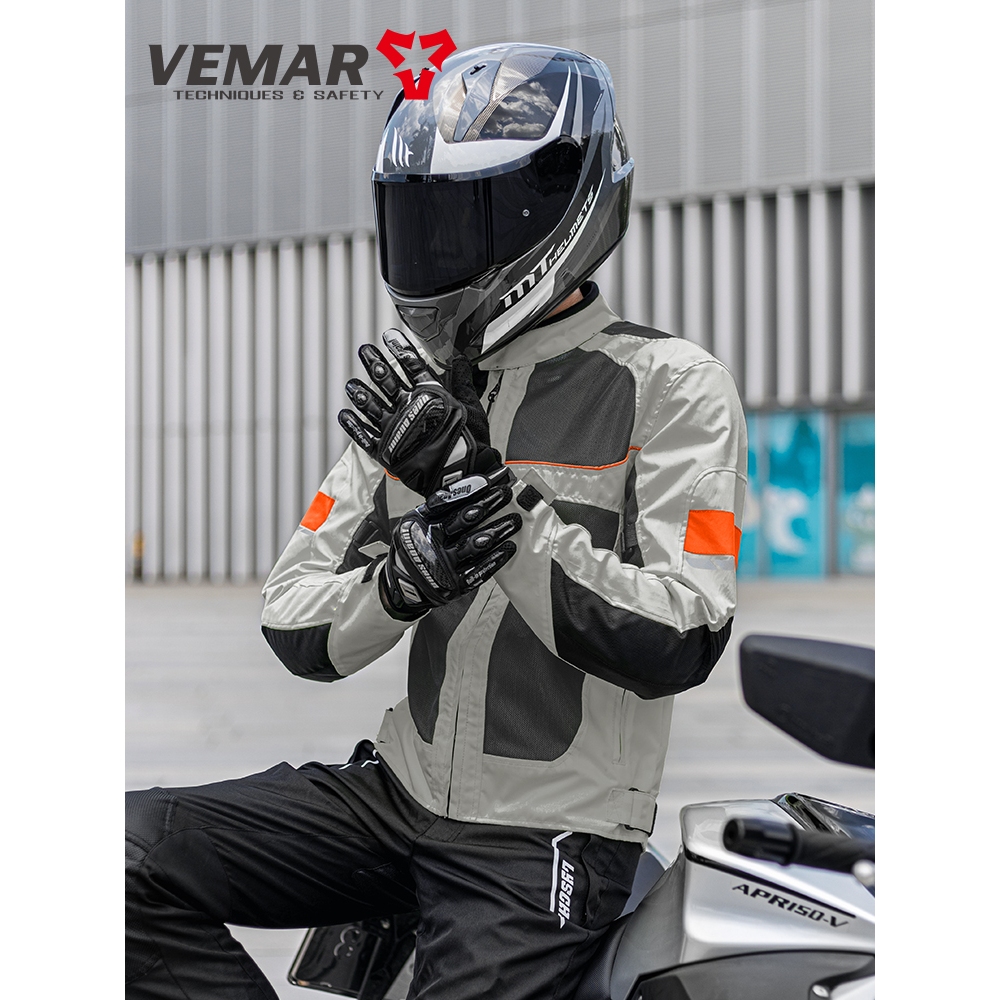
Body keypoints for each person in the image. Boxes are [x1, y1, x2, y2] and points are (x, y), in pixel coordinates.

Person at [125, 43, 747, 1000]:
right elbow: (294, 618)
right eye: (419, 222)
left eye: (461, 221)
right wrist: (402, 580)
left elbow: (683, 631)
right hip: (396, 794)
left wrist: (493, 512)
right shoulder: (415, 401)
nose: (434, 253)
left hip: (545, 836)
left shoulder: (670, 386)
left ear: (558, 207)